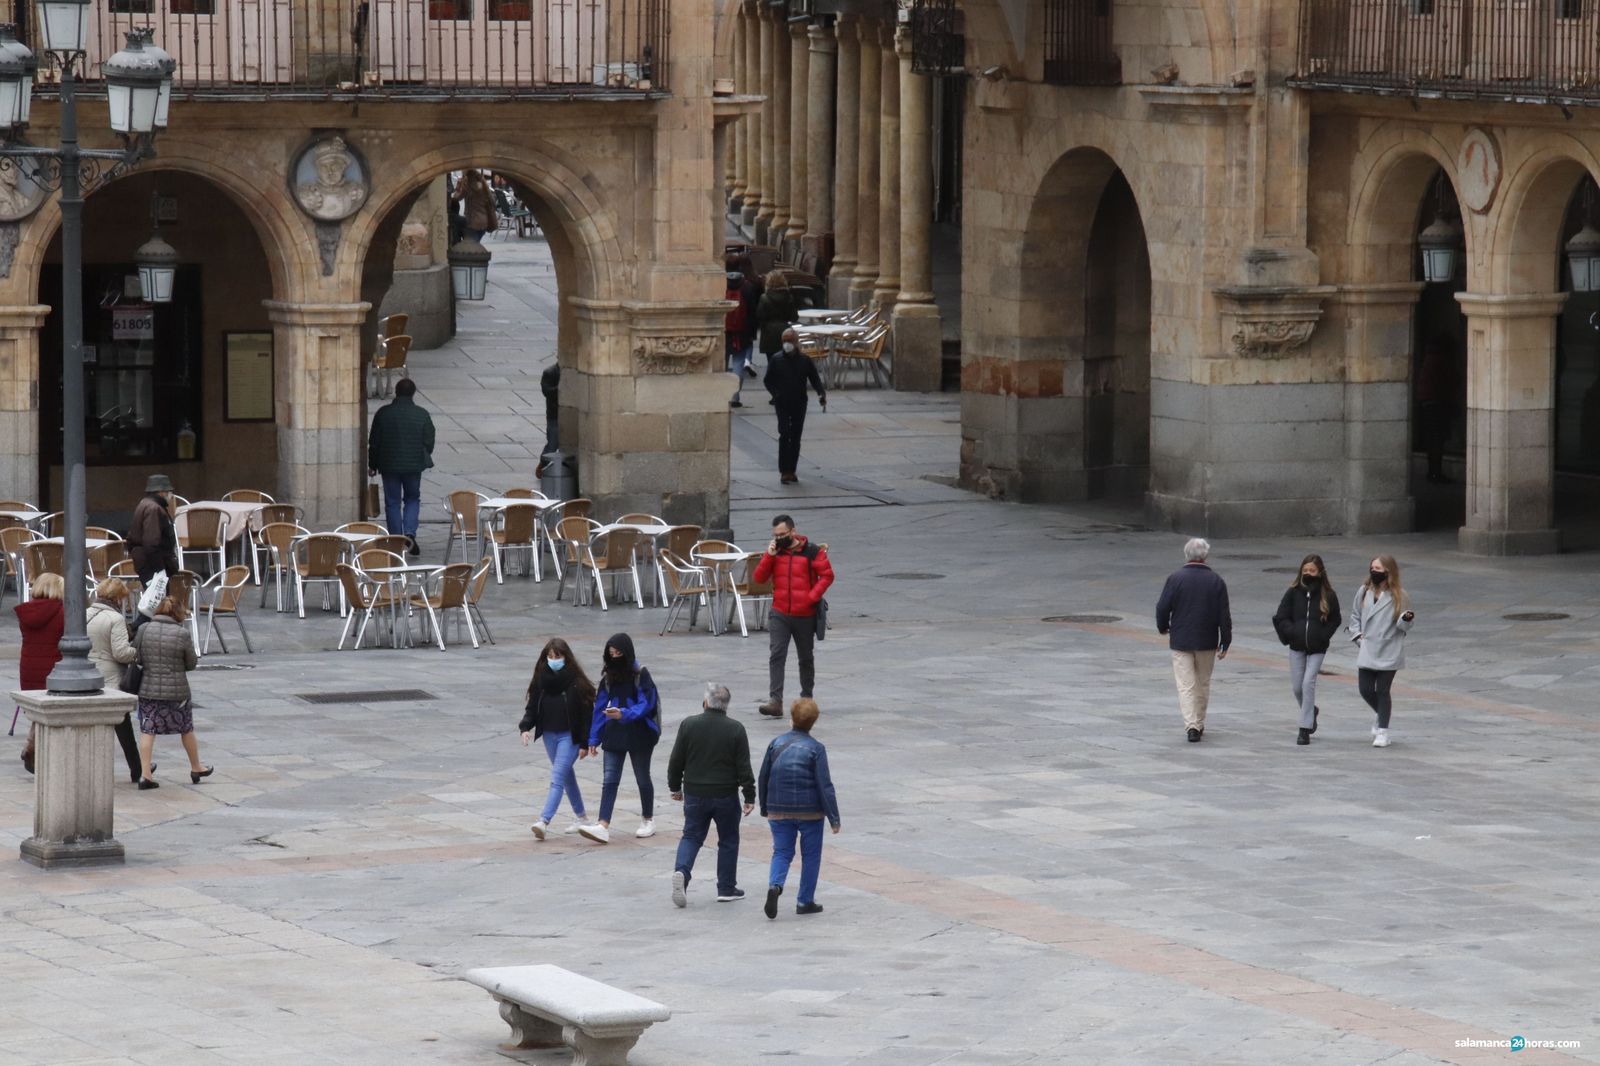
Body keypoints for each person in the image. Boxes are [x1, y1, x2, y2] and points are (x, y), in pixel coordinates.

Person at [667, 683, 756, 907]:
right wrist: (749, 796)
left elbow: (676, 760)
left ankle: (682, 873)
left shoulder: (689, 725)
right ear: (726, 705)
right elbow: (743, 766)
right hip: (725, 794)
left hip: (695, 792)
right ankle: (726, 887)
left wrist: (675, 787)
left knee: (691, 836)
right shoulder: (735, 728)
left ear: (706, 702)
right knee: (728, 839)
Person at [757, 698, 841, 919]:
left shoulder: (776, 743)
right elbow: (824, 785)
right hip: (810, 810)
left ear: (792, 717)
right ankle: (805, 900)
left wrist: (765, 806)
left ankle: (775, 886)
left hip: (778, 807)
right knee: (811, 855)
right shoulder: (816, 748)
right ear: (813, 721)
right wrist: (833, 817)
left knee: (782, 851)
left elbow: (764, 775)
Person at [580, 633, 660, 843]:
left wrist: (625, 713)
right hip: (614, 731)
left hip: (640, 731)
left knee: (642, 777)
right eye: (611, 654)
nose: (615, 657)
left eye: (618, 653)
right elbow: (599, 708)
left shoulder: (640, 674)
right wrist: (593, 739)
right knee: (610, 779)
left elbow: (646, 703)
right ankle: (603, 824)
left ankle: (648, 818)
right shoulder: (608, 678)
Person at [755, 514, 834, 717]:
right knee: (777, 654)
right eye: (776, 535)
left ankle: (807, 698)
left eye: (782, 534)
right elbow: (759, 578)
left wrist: (811, 597)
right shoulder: (775, 553)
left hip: (804, 614)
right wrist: (769, 556)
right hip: (780, 612)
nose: (779, 538)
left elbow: (827, 575)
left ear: (792, 531)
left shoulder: (812, 551)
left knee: (805, 658)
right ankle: (775, 701)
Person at [1155, 537, 1232, 743]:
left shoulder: (1175, 578)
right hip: (1207, 639)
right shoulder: (1216, 581)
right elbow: (1223, 615)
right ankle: (1199, 721)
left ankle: (1191, 725)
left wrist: (1163, 627)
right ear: (1205, 556)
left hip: (1181, 638)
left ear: (1186, 554)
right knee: (1202, 682)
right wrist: (1225, 641)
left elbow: (1162, 607)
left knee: (1185, 684)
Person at [520, 638, 598, 840]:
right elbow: (533, 706)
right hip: (549, 735)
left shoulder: (576, 682)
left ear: (566, 657)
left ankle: (543, 821)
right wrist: (525, 727)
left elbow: (586, 714)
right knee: (565, 775)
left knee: (557, 777)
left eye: (558, 656)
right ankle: (582, 817)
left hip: (569, 737)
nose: (553, 660)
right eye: (550, 657)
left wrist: (584, 742)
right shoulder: (541, 680)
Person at [131, 595, 210, 789]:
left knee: (147, 730)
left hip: (148, 689)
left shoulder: (144, 629)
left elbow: (137, 656)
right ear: (178, 613)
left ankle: (146, 774)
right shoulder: (181, 633)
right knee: (186, 728)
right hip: (177, 691)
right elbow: (191, 663)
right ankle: (196, 766)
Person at [1272, 555, 1343, 747]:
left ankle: (1304, 729)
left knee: (1308, 683)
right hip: (1297, 646)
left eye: (1312, 571)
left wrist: (1323, 635)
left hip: (1317, 647)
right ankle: (1311, 710)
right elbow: (1281, 616)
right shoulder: (1293, 592)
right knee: (1297, 687)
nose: (1308, 574)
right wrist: (1291, 632)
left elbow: (1336, 619)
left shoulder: (1328, 594)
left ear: (1320, 572)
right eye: (1305, 571)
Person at [1348, 554, 1416, 748]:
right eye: (1372, 568)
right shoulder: (1363, 591)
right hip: (1368, 647)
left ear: (1388, 572)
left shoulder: (1399, 595)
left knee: (1383, 690)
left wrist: (1406, 619)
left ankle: (1383, 731)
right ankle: (1381, 715)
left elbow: (1403, 626)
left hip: (1389, 648)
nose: (1374, 572)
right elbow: (1355, 615)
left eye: (1378, 569)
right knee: (1365, 689)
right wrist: (1356, 635)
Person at [367, 377, 435, 556]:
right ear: (413, 393)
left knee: (392, 502)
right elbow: (429, 441)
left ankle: (396, 538)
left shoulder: (383, 413)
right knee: (412, 498)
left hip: (389, 465)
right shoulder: (422, 414)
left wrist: (372, 464)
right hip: (413, 465)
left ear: (396, 392)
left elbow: (374, 442)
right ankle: (410, 532)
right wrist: (421, 454)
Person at [87, 578, 145, 784]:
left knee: (94, 725)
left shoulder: (85, 614)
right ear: (117, 597)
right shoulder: (115, 618)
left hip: (88, 674)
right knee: (122, 726)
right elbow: (121, 653)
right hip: (110, 677)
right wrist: (139, 652)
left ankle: (135, 767)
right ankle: (137, 769)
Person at [14, 572, 65, 774]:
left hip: (28, 666)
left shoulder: (26, 612)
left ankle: (31, 747)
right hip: (51, 667)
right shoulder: (62, 612)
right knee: (52, 712)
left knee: (38, 711)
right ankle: (35, 749)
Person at [764, 327, 827, 484]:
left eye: (789, 341)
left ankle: (792, 469)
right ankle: (784, 471)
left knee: (796, 436)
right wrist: (775, 394)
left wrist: (821, 394)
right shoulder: (776, 359)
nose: (787, 344)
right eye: (784, 341)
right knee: (784, 434)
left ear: (796, 341)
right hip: (782, 403)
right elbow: (768, 380)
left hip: (799, 402)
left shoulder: (805, 360)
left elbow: (814, 379)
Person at [1415, 337, 1455, 484]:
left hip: (1428, 404)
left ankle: (1433, 472)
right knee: (1437, 441)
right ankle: (1435, 473)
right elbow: (1448, 380)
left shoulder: (1428, 359)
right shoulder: (1439, 360)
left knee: (1433, 440)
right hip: (1437, 404)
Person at [127, 474, 179, 584]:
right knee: (158, 599)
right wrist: (160, 569)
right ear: (161, 491)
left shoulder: (146, 504)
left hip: (147, 562)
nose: (171, 495)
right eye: (168, 491)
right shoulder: (154, 508)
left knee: (155, 598)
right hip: (152, 565)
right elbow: (151, 543)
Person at [724, 268, 756, 408]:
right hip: (742, 333)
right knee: (738, 364)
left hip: (723, 331)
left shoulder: (720, 285)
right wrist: (752, 333)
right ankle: (734, 397)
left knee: (721, 366)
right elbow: (752, 312)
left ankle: (720, 395)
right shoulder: (747, 287)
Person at [755, 269, 798, 361]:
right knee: (785, 362)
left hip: (768, 333)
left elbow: (759, 316)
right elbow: (794, 317)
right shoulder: (789, 297)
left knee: (771, 362)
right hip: (785, 332)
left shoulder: (764, 298)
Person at [456, 170, 497, 241]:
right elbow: (492, 202)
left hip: (472, 223)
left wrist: (459, 186)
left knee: (473, 248)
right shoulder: (484, 187)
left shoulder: (468, 188)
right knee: (476, 246)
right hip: (484, 223)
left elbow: (456, 198)